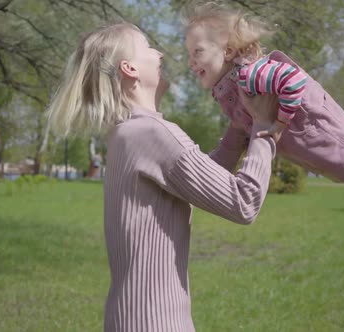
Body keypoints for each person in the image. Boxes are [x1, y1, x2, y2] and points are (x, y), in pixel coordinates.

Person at [45, 22, 279, 331]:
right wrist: (265, 126)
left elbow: (198, 178)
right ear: (129, 69)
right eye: (147, 47)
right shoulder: (153, 133)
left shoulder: (127, 133)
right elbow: (243, 202)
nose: (160, 53)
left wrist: (238, 129)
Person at [182, 1, 344, 210]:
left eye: (198, 52)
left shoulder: (250, 74)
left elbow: (294, 80)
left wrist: (280, 123)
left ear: (227, 51)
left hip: (326, 133)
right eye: (188, 54)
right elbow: (237, 134)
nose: (191, 62)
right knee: (337, 174)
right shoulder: (228, 89)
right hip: (306, 146)